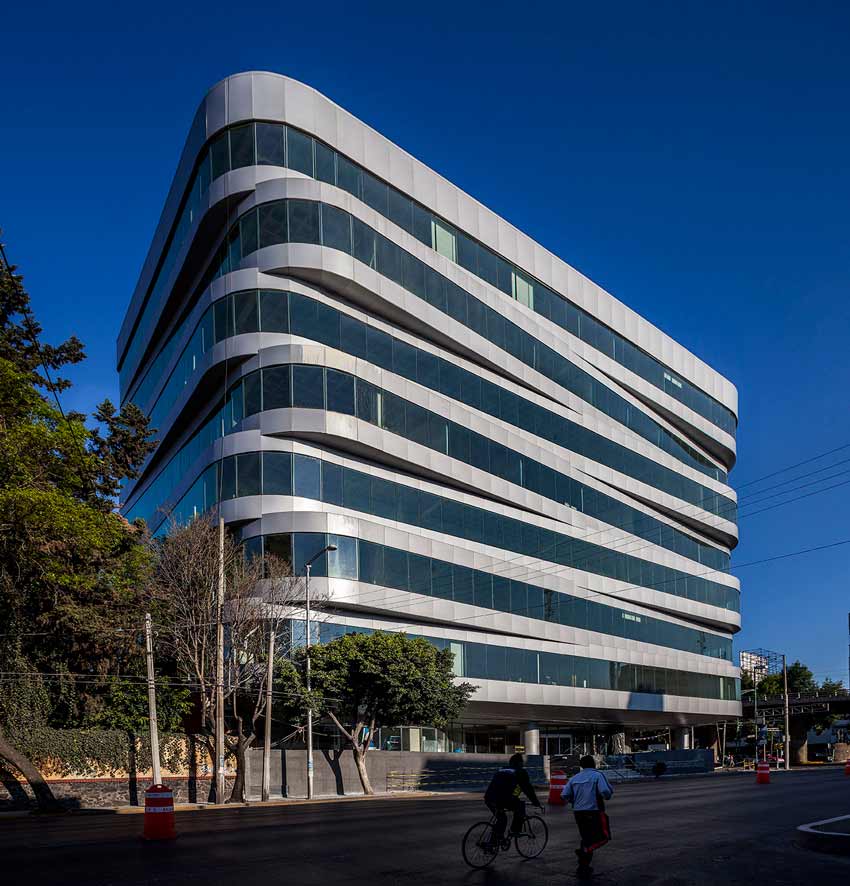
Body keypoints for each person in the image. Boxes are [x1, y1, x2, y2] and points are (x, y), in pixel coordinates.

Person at [561, 755, 613, 876]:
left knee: (586, 836)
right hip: (594, 811)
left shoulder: (574, 778)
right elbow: (605, 791)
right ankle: (584, 851)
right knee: (603, 836)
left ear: (581, 765)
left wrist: (574, 801)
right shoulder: (598, 775)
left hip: (578, 813)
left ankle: (583, 864)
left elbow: (564, 795)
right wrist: (607, 797)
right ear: (594, 764)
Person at [484, 753, 542, 848]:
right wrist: (536, 803)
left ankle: (494, 842)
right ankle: (515, 830)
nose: (523, 765)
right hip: (503, 799)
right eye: (522, 763)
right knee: (520, 806)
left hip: (489, 798)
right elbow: (528, 789)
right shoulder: (520, 772)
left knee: (501, 819)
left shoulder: (502, 769)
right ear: (519, 763)